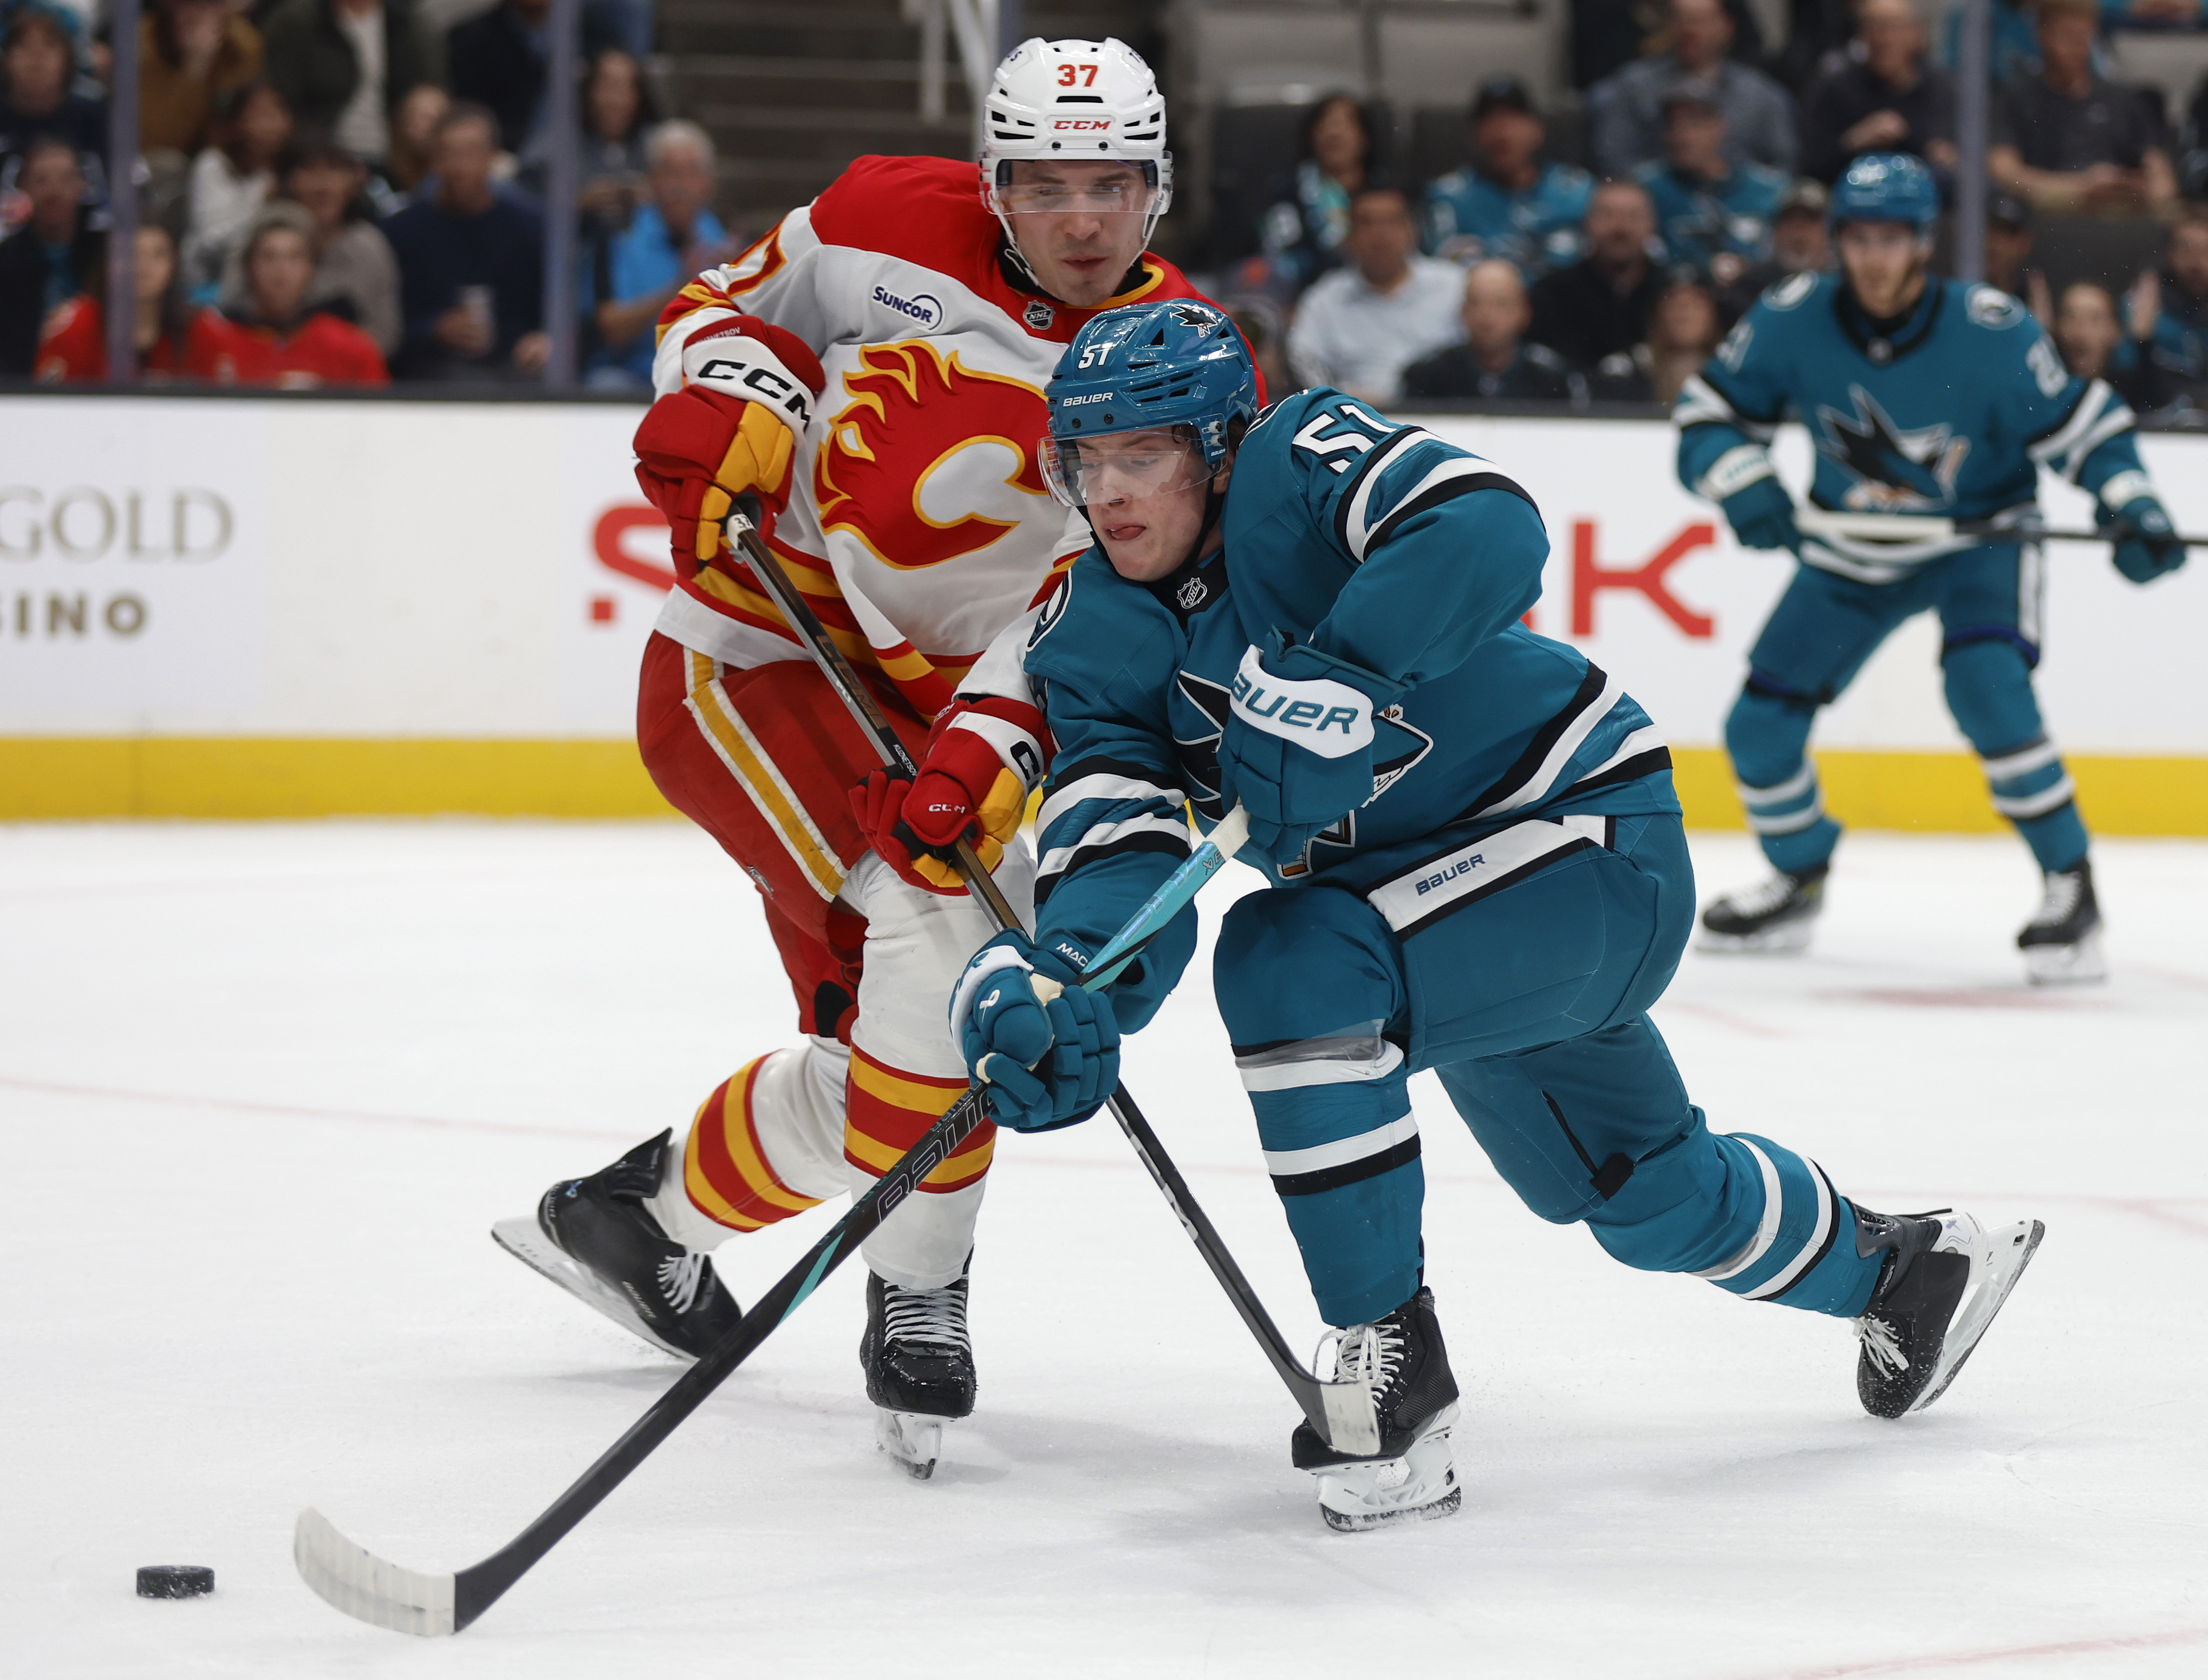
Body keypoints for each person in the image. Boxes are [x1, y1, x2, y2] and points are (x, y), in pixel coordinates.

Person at [943, 295, 2045, 1531]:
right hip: (1425, 925)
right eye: (1083, 460)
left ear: (1217, 444)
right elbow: (1119, 841)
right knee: (1636, 1193)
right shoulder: (1089, 634)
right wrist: (1068, 974)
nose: (1108, 493)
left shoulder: (1297, 464)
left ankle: (1390, 1371)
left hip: (1577, 835)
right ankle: (1908, 1269)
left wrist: (1338, 672)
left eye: (1139, 454)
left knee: (1288, 958)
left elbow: (1486, 525)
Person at [495, 38, 1227, 1476]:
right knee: (949, 967)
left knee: (906, 1046)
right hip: (759, 658)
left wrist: (985, 748)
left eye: (1112, 186)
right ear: (992, 176)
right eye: (1043, 183)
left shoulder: (1177, 354)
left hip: (943, 724)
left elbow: (1092, 597)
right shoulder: (881, 213)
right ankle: (915, 1288)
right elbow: (721, 307)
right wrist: (732, 392)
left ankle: (638, 1219)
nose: (1079, 218)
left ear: (1158, 189)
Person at [1675, 154, 2185, 981]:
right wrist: (1742, 478)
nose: (1875, 258)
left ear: (1922, 243)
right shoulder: (1789, 317)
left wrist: (2130, 502)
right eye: (1859, 238)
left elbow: (2083, 428)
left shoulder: (1991, 329)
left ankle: (2070, 881)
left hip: (1974, 543)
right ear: (1838, 241)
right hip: (1850, 551)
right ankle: (1798, 874)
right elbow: (1708, 414)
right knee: (1757, 728)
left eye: (1894, 238)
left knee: (1987, 689)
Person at [382, 101, 547, 378]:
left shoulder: (529, 228)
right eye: (449, 154)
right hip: (428, 378)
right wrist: (433, 329)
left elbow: (565, 312)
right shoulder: (401, 232)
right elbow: (384, 329)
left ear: (493, 157)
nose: (459, 166)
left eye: (471, 153)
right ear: (435, 160)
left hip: (516, 374)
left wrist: (545, 338)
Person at [579, 118, 730, 389]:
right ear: (651, 180)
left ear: (709, 183)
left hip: (699, 378)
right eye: (671, 172)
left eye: (692, 173)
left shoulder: (719, 237)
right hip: (634, 375)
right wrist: (680, 286)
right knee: (605, 385)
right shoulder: (622, 233)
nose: (681, 186)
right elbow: (612, 329)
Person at [1989, 0, 2177, 214]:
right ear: (2043, 35)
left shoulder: (2121, 98)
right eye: (2067, 36)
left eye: (2084, 36)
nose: (2077, 47)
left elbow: (2159, 172)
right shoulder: (2015, 98)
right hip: (2045, 217)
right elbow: (2004, 171)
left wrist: (2137, 189)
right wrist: (2080, 187)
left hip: (2115, 218)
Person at [1286, 185, 1468, 405]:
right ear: (1350, 235)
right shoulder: (1324, 299)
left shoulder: (1454, 286)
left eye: (1392, 221)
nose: (1380, 235)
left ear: (1413, 230)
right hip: (1355, 422)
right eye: (1367, 223)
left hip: (1446, 417)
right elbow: (1302, 363)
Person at [220, 135, 400, 355]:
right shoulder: (255, 236)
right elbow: (230, 313)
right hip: (259, 365)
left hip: (343, 374)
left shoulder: (369, 246)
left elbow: (386, 335)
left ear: (356, 181)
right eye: (308, 169)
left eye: (334, 170)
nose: (322, 184)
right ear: (287, 180)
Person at [1590, 0, 1796, 178]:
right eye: (1682, 20)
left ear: (1726, 26)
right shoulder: (1629, 88)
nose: (1690, 31)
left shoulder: (1764, 97)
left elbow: (1784, 168)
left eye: (1701, 21)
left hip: (1741, 211)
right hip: (1655, 208)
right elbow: (1612, 162)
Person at [196, 199, 388, 383]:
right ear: (248, 266)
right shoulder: (214, 342)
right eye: (268, 256)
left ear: (312, 267)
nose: (281, 269)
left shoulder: (351, 347)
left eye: (295, 257)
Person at [1420, 75, 1592, 277]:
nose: (1502, 133)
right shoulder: (1448, 197)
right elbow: (1441, 274)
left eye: (1514, 119)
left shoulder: (1577, 190)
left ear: (1538, 130)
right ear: (1474, 135)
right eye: (1490, 120)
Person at [1635, 80, 1786, 287]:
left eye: (1694, 123)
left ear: (1720, 126)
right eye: (1673, 124)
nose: (1682, 135)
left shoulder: (1770, 190)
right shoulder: (1645, 190)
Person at [34, 218, 222, 379]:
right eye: (132, 254)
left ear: (174, 266)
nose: (144, 265)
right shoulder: (77, 326)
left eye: (159, 255)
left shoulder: (198, 329)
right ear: (109, 263)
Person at [1798, 0, 1958, 186]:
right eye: (1874, 27)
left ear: (1916, 33)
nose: (1884, 39)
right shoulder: (1835, 89)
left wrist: (1948, 156)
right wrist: (1854, 141)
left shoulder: (1945, 90)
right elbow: (1808, 167)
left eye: (1894, 28)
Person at [260, 0, 438, 166]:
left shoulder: (408, 24)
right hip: (314, 157)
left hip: (390, 159)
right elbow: (275, 97)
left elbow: (432, 89)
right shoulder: (296, 21)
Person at [446, 0, 616, 160]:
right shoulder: (471, 40)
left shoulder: (592, 35)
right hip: (502, 161)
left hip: (584, 160)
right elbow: (469, 116)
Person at [1528, 178, 1665, 374]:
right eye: (1608, 215)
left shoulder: (1670, 293)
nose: (1621, 228)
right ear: (1587, 222)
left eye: (1634, 216)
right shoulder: (1552, 295)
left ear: (1652, 224)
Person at [1399, 258, 1580, 401]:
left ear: (1524, 313)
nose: (1487, 317)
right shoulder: (1428, 377)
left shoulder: (1552, 380)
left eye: (1501, 305)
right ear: (1463, 312)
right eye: (1476, 304)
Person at [1, 0, 107, 233]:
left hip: (87, 246)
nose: (36, 57)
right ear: (6, 58)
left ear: (68, 58)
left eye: (49, 45)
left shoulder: (94, 117)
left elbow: (120, 195)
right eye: (23, 46)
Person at [1256, 93, 1373, 294]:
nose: (1334, 133)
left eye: (1346, 123)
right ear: (1312, 137)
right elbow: (1281, 260)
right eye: (1325, 124)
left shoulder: (1385, 193)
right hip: (1307, 299)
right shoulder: (1288, 195)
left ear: (1365, 137)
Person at [0, 133, 97, 373]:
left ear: (82, 184)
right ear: (24, 187)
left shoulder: (104, 254)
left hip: (96, 387)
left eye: (65, 179)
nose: (54, 191)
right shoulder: (5, 260)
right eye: (42, 180)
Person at [182, 80, 290, 291]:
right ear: (237, 120)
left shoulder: (287, 170)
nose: (273, 123)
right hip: (206, 286)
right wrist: (260, 202)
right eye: (262, 114)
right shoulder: (213, 164)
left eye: (279, 113)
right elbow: (210, 241)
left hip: (261, 287)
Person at [138, 0, 264, 156]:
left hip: (219, 164)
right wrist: (195, 68)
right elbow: (157, 142)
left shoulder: (240, 43)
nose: (199, 18)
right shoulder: (143, 42)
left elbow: (237, 123)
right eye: (189, 5)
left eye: (210, 6)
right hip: (158, 164)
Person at [2053, 278, 2176, 415]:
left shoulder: (2130, 390)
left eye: (2095, 319)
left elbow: (2162, 408)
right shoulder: (2048, 390)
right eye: (2070, 317)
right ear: (2056, 326)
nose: (2080, 331)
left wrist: (2144, 341)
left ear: (2116, 331)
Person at [1716, 177, 1830, 323]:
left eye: (1809, 221)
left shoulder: (1842, 284)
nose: (1799, 231)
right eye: (1790, 221)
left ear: (1827, 231)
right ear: (1776, 231)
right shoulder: (1751, 286)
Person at [1593, 274, 1723, 402]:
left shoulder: (1733, 373)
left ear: (1713, 313)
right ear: (1656, 313)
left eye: (1697, 302)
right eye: (1673, 301)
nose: (1685, 311)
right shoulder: (1625, 373)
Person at [576, 45, 654, 229]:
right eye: (608, 87)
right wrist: (580, 202)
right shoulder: (558, 146)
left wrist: (655, 198)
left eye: (624, 89)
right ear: (590, 92)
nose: (615, 101)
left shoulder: (655, 147)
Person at [2145, 209, 2208, 399]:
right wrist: (2141, 339)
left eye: (2206, 252)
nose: (2196, 264)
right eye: (2187, 250)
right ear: (2169, 254)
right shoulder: (2141, 310)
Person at [1982, 189, 2049, 322]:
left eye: (2008, 233)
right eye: (1990, 228)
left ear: (2025, 242)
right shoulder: (1951, 294)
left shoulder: (2031, 301)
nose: (1996, 242)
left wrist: (2041, 330)